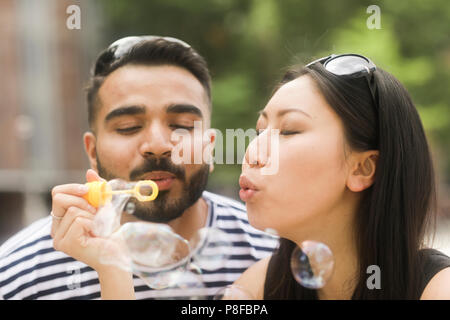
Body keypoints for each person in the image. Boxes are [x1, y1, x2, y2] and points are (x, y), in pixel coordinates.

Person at [0, 36, 278, 300]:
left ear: (210, 146)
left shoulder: (274, 254)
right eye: (128, 127)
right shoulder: (17, 276)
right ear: (92, 152)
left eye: (181, 125)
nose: (157, 145)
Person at [233, 53, 450, 299]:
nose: (252, 153)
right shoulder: (257, 288)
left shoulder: (437, 291)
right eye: (260, 131)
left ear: (363, 169)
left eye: (289, 130)